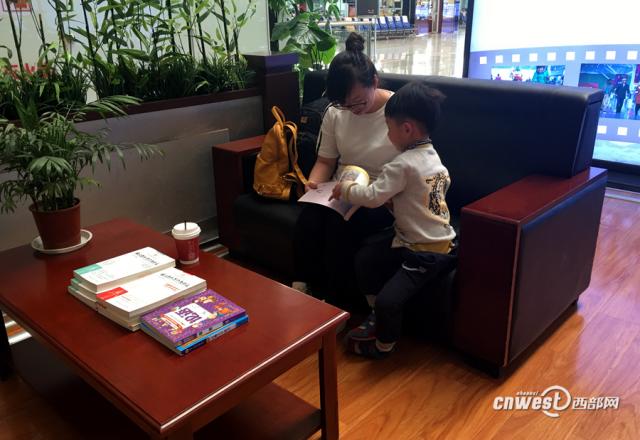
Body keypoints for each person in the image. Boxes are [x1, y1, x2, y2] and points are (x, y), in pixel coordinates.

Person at [330, 82, 457, 358]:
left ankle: (383, 345)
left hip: (424, 251)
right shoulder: (432, 156)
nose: (387, 135)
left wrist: (346, 189)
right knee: (367, 257)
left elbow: (373, 196)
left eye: (389, 128)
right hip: (432, 238)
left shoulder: (402, 164)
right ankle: (375, 313)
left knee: (389, 301)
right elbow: (430, 191)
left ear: (407, 129)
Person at [295, 32, 398, 306]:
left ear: (374, 81)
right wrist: (313, 184)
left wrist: (385, 196)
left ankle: (335, 304)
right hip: (342, 190)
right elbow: (325, 162)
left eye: (359, 102)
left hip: (382, 196)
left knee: (338, 226)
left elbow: (418, 163)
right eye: (345, 104)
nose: (353, 110)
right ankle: (301, 288)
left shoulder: (398, 111)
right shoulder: (336, 112)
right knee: (308, 217)